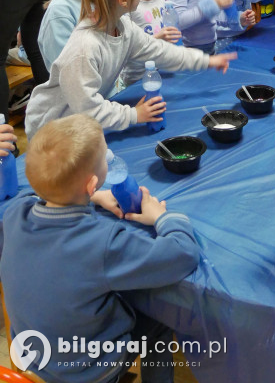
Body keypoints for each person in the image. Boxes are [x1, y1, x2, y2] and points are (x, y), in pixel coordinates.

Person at [1, 114, 200, 382]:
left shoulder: (14, 212)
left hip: (33, 356)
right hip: (86, 371)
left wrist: (90, 196)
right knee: (158, 321)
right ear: (94, 181)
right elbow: (183, 254)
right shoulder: (103, 242)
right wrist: (162, 217)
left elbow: (35, 194)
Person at [25, 0, 236, 138]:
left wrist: (206, 60)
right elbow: (87, 109)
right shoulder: (85, 47)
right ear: (124, 0)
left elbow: (160, 52)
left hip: (79, 120)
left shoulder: (123, 25)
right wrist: (134, 114)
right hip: (53, 130)